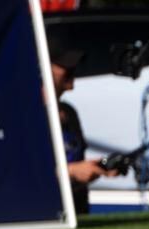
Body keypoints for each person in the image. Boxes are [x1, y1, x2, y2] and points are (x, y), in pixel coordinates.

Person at [49, 43, 116, 214]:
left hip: (77, 206)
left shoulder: (69, 112)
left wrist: (95, 168)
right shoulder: (23, 114)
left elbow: (75, 158)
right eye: (67, 73)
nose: (71, 84)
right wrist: (71, 171)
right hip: (46, 211)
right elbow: (20, 174)